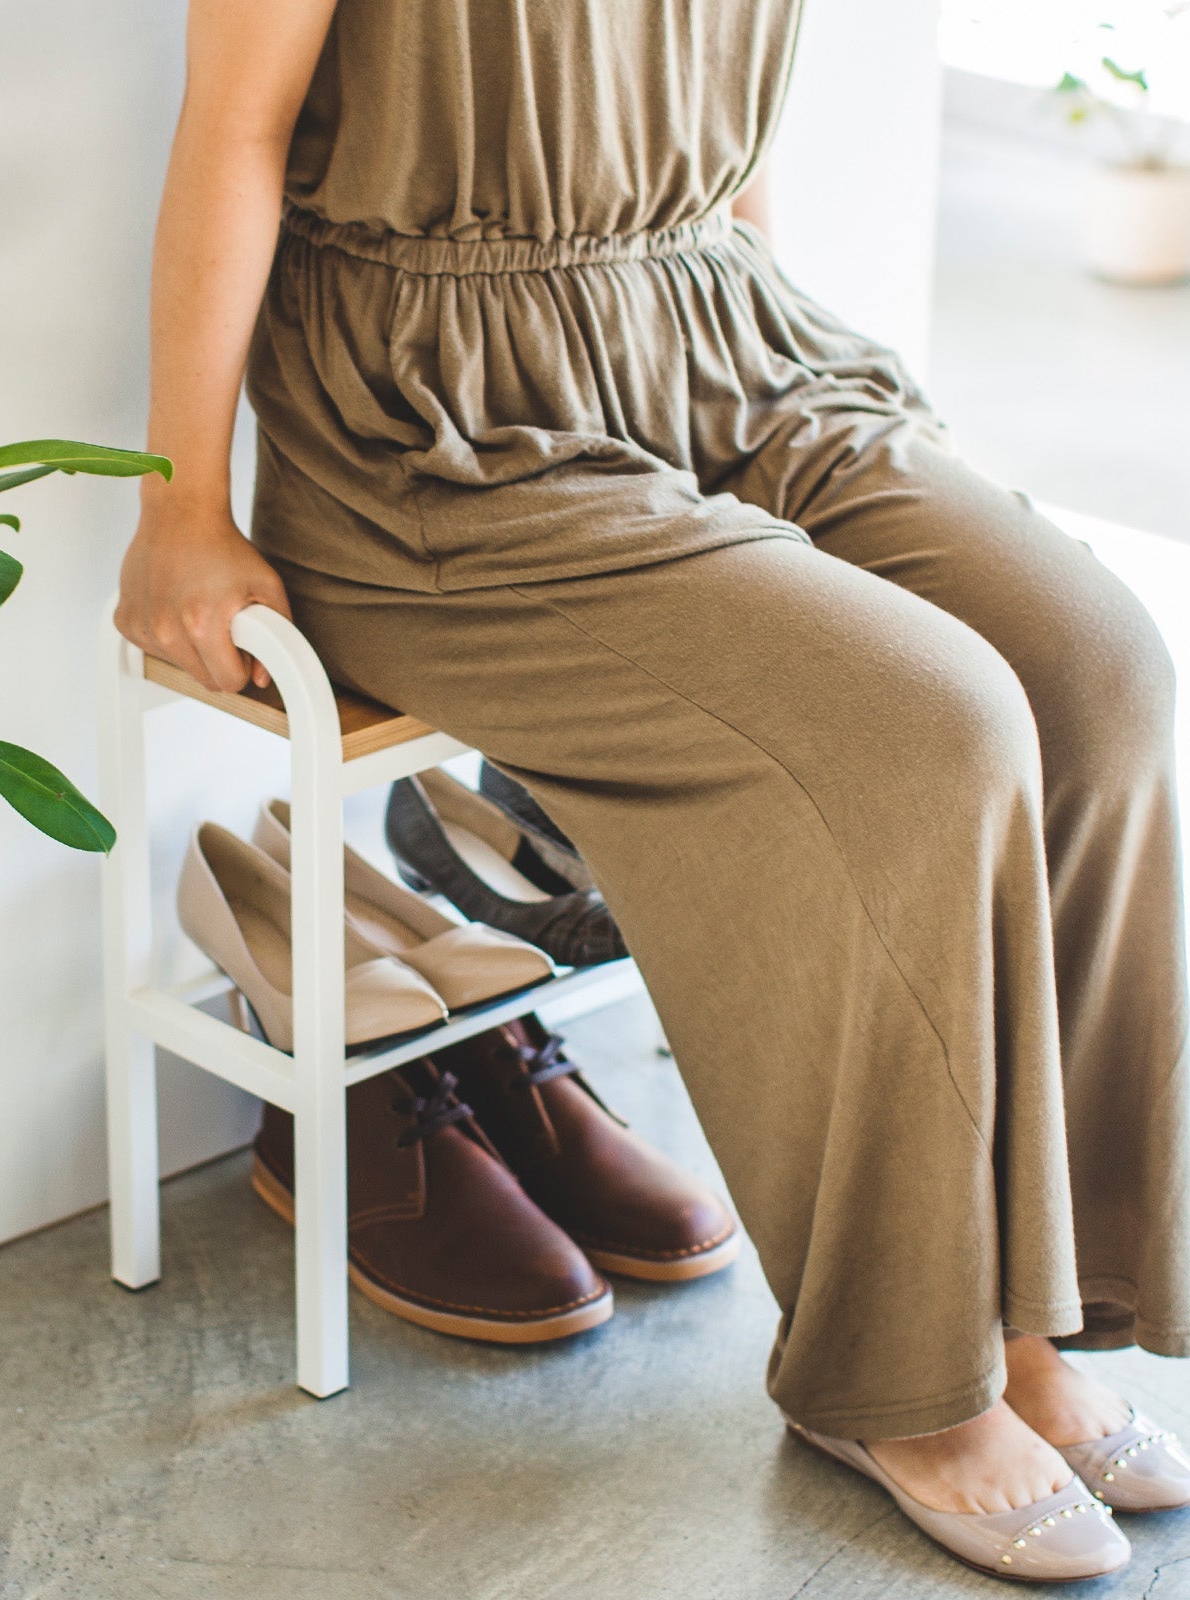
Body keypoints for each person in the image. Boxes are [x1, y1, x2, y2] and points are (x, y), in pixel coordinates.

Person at [114, 0, 1190, 1580]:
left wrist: (785, 371)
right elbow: (235, 129)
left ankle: (1036, 1317)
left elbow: (713, 117)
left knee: (1096, 673)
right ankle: (897, 1377)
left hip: (724, 337)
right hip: (434, 423)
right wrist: (182, 507)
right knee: (932, 728)